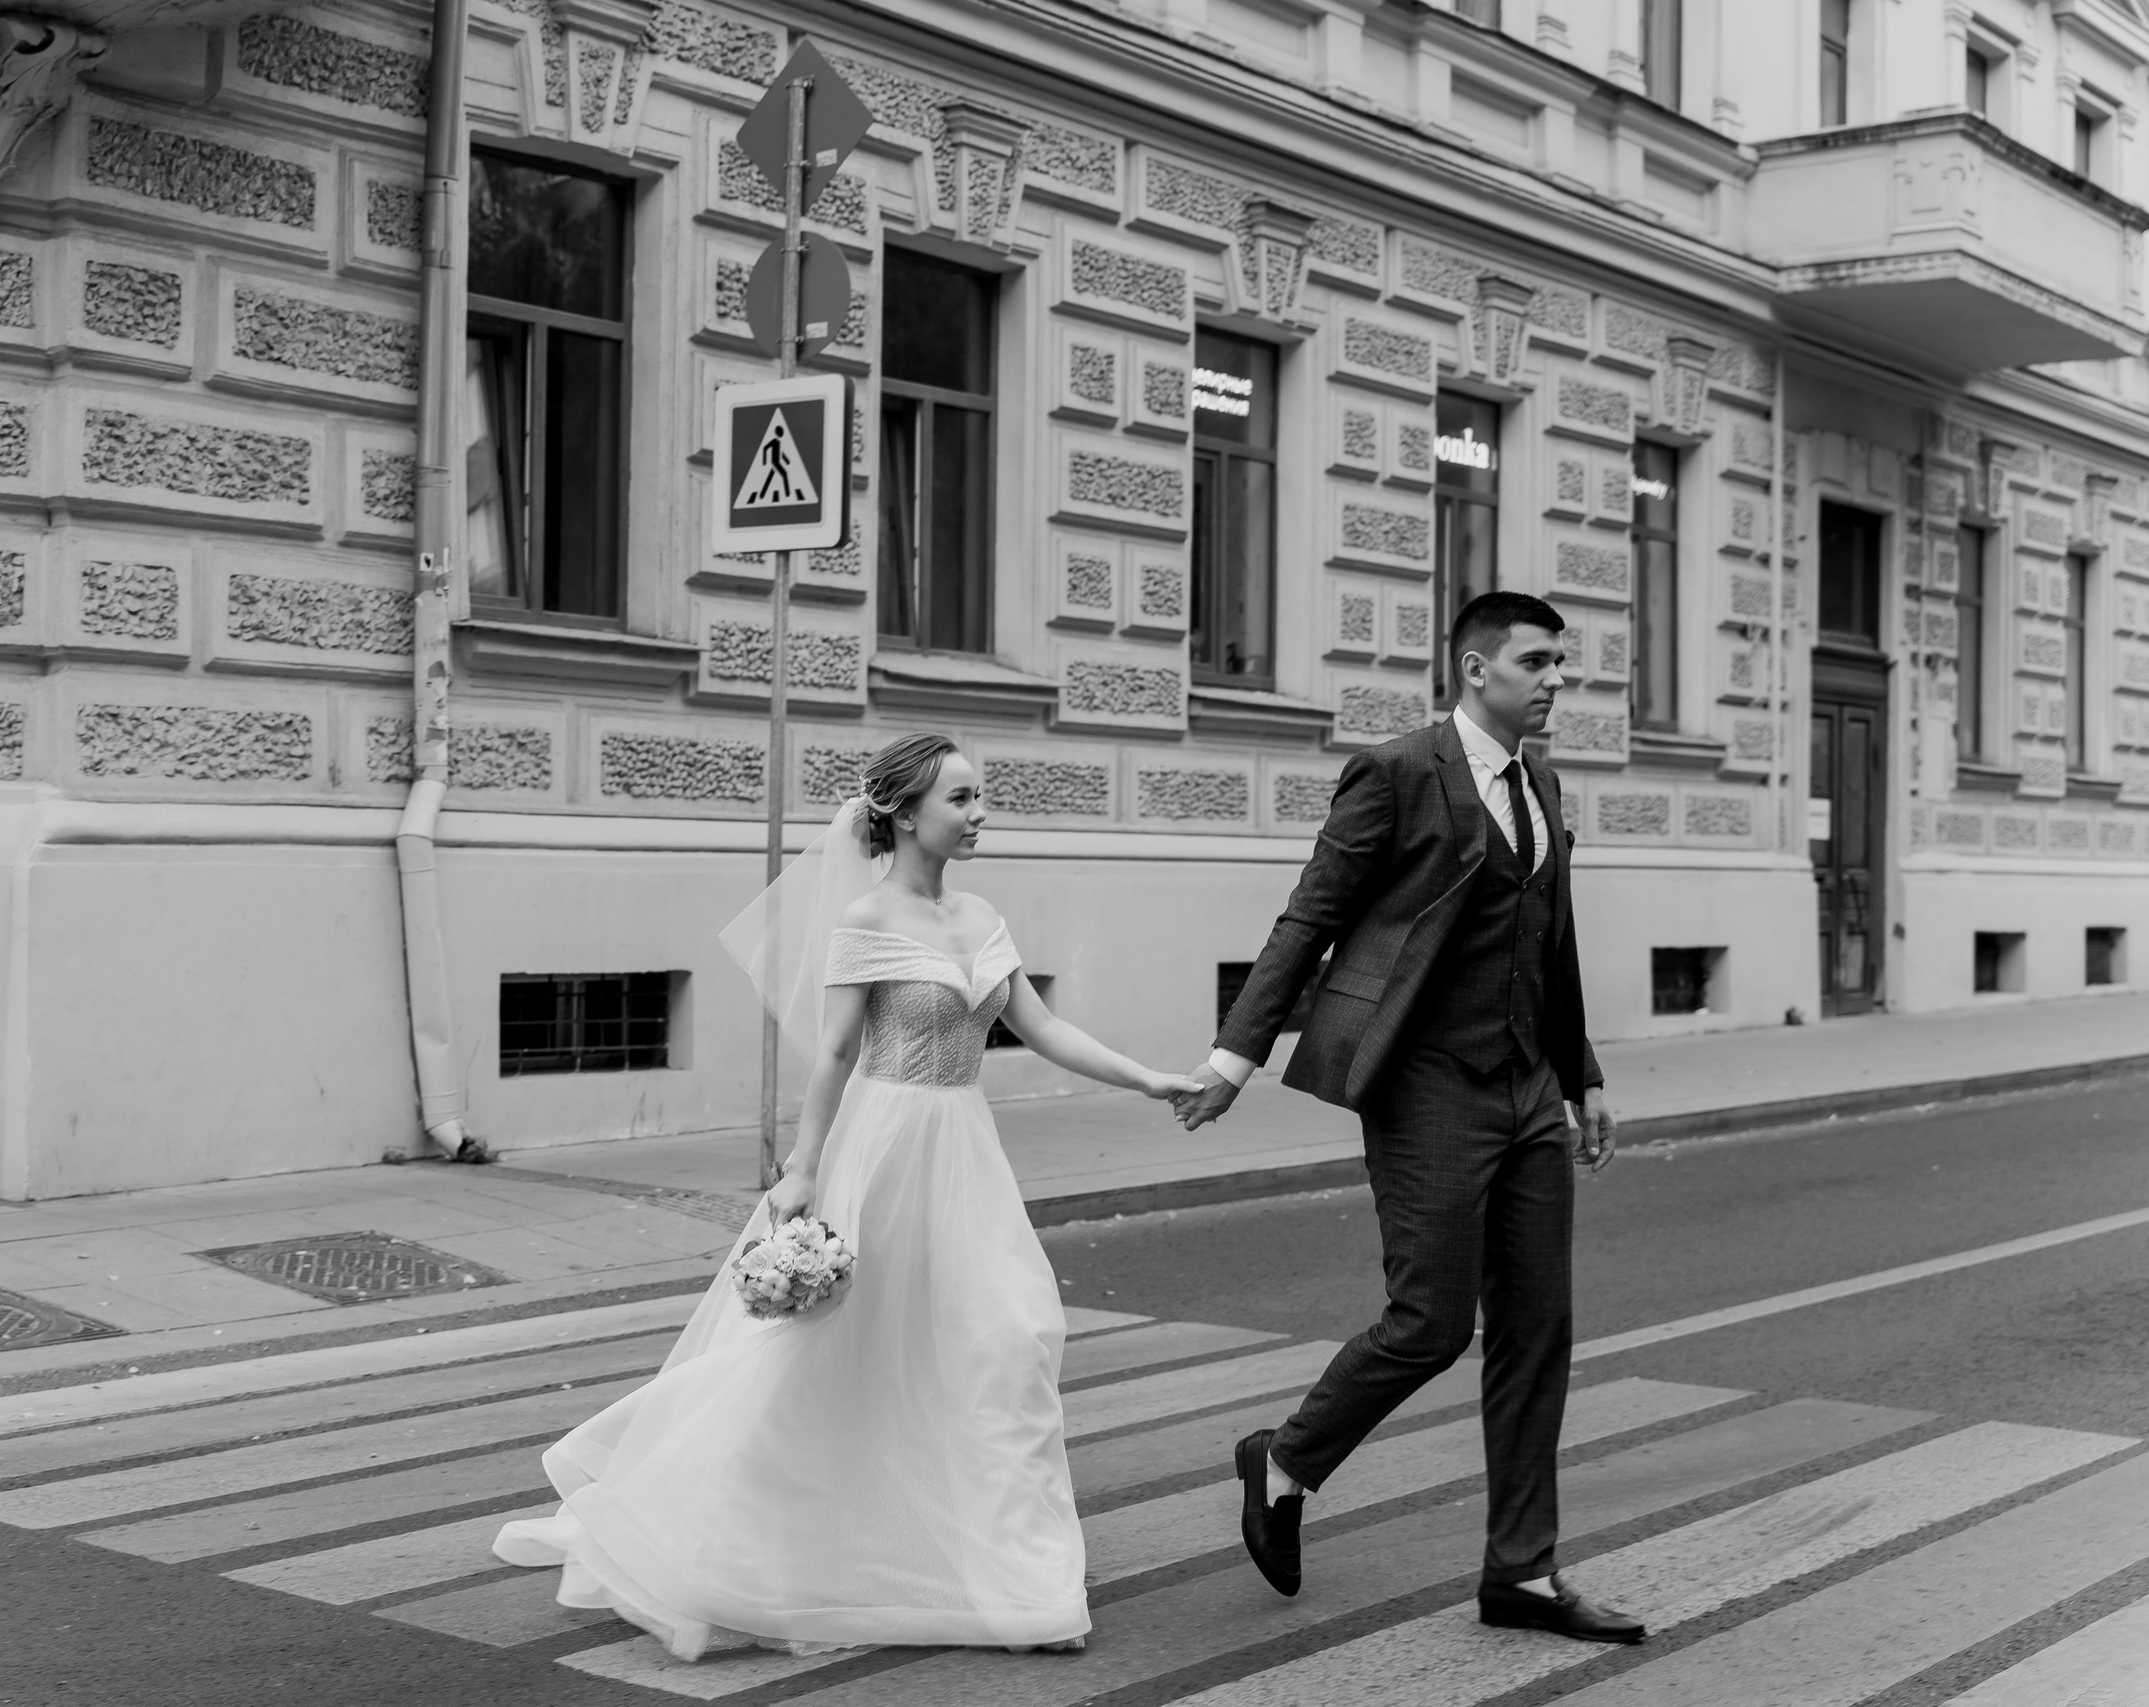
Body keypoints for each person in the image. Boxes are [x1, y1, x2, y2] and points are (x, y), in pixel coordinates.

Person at [496, 732, 1202, 1659]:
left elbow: (1042, 1026)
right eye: (961, 798)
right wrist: (803, 1168)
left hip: (965, 1156)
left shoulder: (982, 915)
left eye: (980, 795)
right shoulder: (867, 919)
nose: (981, 812)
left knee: (1010, 1340)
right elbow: (834, 1053)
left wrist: (1150, 1079)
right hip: (883, 1150)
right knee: (834, 1360)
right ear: (905, 814)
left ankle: (1025, 1583)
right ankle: (733, 1542)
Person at [1170, 590, 1646, 1646]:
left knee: (1537, 1329)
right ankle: (1286, 1458)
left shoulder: (1541, 783)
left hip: (1528, 1088)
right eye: (1536, 661)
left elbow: (1552, 939)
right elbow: (1309, 916)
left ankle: (1521, 1572)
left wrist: (1581, 1074)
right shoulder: (1396, 773)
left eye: (1560, 663)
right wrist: (1233, 1058)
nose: (1556, 681)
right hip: (1426, 1083)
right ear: (1476, 669)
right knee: (1430, 1321)